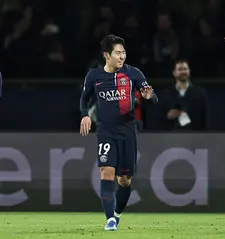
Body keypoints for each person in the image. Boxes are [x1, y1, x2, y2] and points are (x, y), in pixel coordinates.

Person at [79, 34, 158, 231]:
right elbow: (84, 99)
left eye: (123, 52)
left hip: (128, 132)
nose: (122, 56)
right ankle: (110, 220)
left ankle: (117, 214)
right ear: (107, 55)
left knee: (124, 180)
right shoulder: (94, 76)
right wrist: (85, 115)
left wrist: (150, 96)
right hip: (106, 132)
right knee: (106, 172)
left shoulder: (134, 74)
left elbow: (152, 97)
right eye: (118, 53)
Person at [160, 60, 209, 130]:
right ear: (174, 73)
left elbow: (205, 118)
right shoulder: (166, 94)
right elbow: (159, 118)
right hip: (171, 135)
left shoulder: (200, 93)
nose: (183, 72)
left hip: (195, 135)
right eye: (180, 69)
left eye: (185, 69)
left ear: (189, 71)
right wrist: (167, 116)